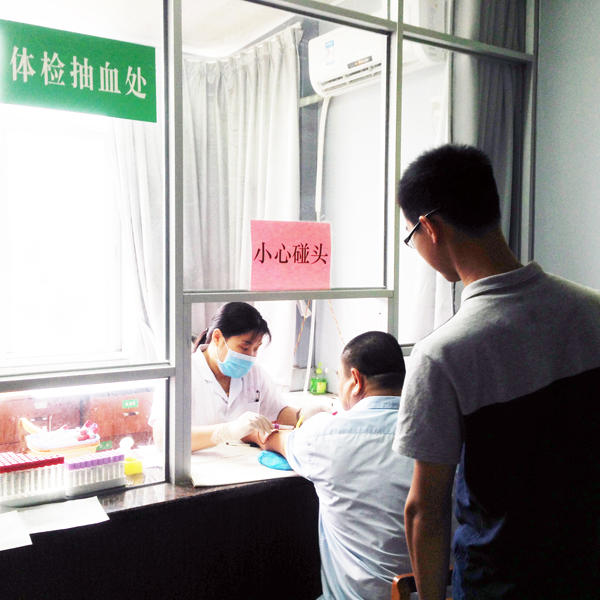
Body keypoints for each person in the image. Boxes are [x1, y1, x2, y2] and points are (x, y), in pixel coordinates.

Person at [393, 144, 600, 599]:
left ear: (430, 227)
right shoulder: (592, 310)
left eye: (411, 237)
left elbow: (424, 512)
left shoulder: (442, 355)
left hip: (500, 584)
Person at [255, 331, 414, 600]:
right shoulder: (439, 430)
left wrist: (251, 432)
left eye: (338, 378)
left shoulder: (324, 435)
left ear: (355, 380)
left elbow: (274, 439)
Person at [149, 302, 330, 451]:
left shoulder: (254, 373)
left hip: (243, 467)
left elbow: (278, 412)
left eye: (256, 349)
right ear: (217, 338)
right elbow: (162, 438)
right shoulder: (182, 375)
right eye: (244, 347)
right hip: (195, 470)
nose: (250, 356)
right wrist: (226, 431)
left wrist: (303, 414)